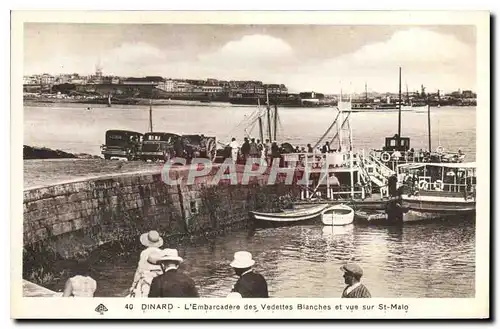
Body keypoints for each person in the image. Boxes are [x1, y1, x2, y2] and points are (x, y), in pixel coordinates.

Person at [130, 230, 164, 297]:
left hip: (147, 280)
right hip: (160, 280)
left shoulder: (144, 253)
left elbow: (139, 270)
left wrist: (133, 285)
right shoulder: (162, 252)